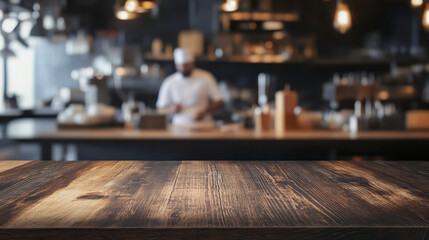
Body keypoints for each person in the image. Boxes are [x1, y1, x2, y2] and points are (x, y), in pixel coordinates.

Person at [156, 48, 224, 125]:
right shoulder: (169, 82)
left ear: (193, 64)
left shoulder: (206, 77)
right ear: (177, 66)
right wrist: (172, 109)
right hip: (179, 126)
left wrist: (204, 111)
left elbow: (219, 102)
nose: (184, 68)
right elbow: (160, 109)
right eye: (182, 65)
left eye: (187, 65)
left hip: (203, 125)